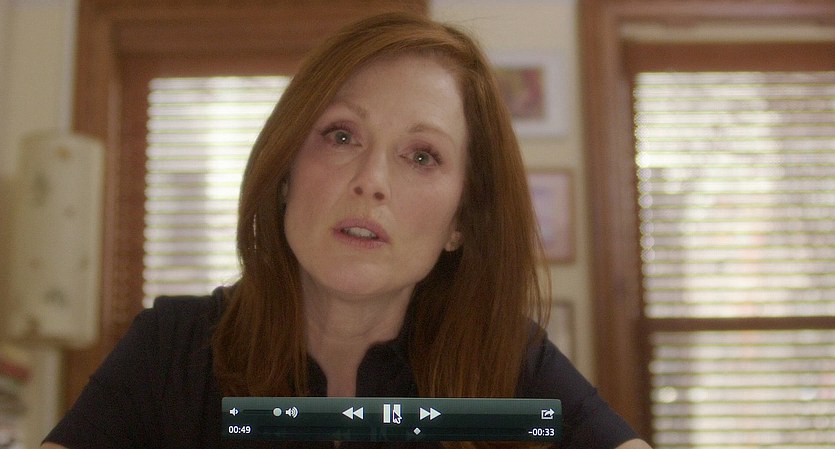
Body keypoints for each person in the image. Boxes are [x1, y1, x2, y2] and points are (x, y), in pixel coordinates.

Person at [43, 12, 652, 449]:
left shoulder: (510, 365)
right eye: (341, 136)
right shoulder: (170, 351)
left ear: (461, 222)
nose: (370, 181)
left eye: (422, 156)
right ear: (285, 173)